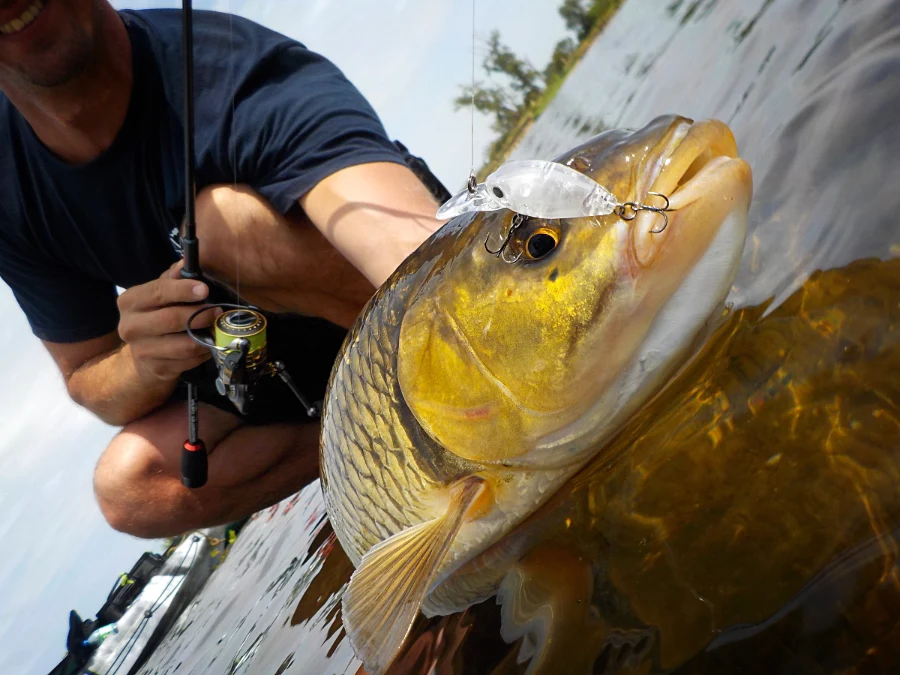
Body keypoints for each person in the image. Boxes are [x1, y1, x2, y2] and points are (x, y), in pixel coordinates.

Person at [0, 0, 450, 538]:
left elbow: (413, 251)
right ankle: (372, 451)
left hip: (389, 295)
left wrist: (457, 320)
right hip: (271, 367)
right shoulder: (8, 192)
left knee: (220, 224)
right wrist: (142, 363)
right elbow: (86, 376)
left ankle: (450, 392)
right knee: (132, 489)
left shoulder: (230, 65)